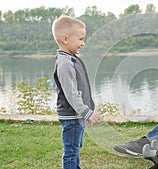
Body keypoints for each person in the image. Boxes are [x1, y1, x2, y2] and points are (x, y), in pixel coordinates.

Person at [52, 15, 101, 169]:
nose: (83, 43)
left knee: (75, 148)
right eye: (80, 39)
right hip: (71, 115)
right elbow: (71, 93)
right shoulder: (65, 63)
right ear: (65, 39)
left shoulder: (70, 58)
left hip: (76, 114)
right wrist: (86, 112)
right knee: (71, 151)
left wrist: (85, 112)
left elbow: (80, 89)